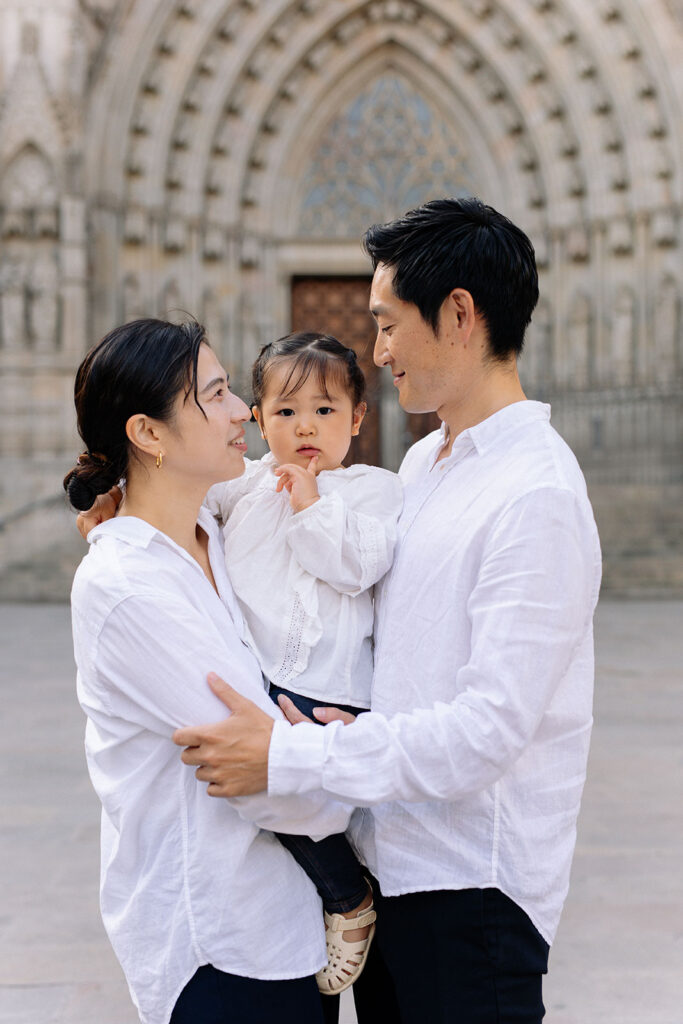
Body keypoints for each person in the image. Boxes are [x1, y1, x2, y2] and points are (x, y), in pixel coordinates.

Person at [173, 197, 603, 1023]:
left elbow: (488, 728)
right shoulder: (423, 468)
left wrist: (291, 758)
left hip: (468, 896)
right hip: (391, 873)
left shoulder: (535, 492)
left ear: (459, 315)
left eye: (387, 323)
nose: (376, 350)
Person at [65, 318, 356, 1024]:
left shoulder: (216, 538)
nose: (243, 413)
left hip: (286, 932)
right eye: (217, 394)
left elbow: (274, 758)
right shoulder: (128, 585)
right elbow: (266, 781)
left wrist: (301, 751)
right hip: (213, 945)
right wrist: (343, 759)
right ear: (150, 434)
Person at [204, 331, 403, 993]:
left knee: (284, 794)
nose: (305, 427)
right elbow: (185, 512)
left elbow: (359, 565)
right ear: (257, 420)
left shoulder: (371, 491)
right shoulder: (243, 485)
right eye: (285, 412)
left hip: (331, 691)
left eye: (323, 410)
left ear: (356, 418)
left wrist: (310, 502)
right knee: (252, 794)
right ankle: (340, 898)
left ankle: (347, 899)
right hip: (260, 680)